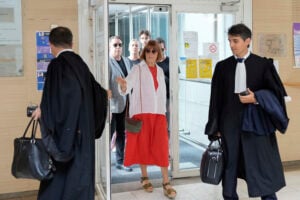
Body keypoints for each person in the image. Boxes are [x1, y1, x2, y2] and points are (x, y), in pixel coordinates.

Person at [204, 23, 289, 200]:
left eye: (235, 41)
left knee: (261, 164)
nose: (232, 45)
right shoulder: (222, 67)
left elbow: (278, 94)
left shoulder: (263, 65)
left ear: (247, 40)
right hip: (229, 125)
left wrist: (256, 97)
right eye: (229, 41)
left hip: (256, 125)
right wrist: (215, 126)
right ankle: (229, 196)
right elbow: (215, 100)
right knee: (230, 165)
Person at [31, 26, 108, 200]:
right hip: (83, 136)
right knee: (80, 179)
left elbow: (55, 100)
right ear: (72, 42)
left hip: (65, 137)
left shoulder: (56, 66)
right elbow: (96, 92)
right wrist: (105, 95)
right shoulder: (80, 63)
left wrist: (44, 111)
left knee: (60, 181)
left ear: (51, 45)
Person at [116, 40, 177, 199]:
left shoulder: (160, 71)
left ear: (158, 53)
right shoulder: (137, 69)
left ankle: (165, 181)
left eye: (154, 51)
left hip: (158, 114)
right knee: (143, 146)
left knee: (162, 147)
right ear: (144, 53)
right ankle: (144, 177)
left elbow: (162, 94)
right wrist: (123, 85)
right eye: (148, 51)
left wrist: (165, 112)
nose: (151, 54)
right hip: (142, 113)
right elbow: (127, 86)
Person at [109, 35, 133, 172]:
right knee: (109, 133)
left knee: (121, 133)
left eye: (120, 44)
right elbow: (105, 83)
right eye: (115, 45)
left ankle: (120, 161)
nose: (118, 47)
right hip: (112, 104)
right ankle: (104, 162)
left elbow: (129, 79)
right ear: (110, 47)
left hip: (125, 102)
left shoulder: (126, 61)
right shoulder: (107, 62)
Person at [156, 37, 170, 132]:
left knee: (167, 123)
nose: (160, 52)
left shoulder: (170, 61)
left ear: (165, 49)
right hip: (155, 98)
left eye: (162, 49)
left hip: (168, 97)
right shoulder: (151, 62)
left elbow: (177, 81)